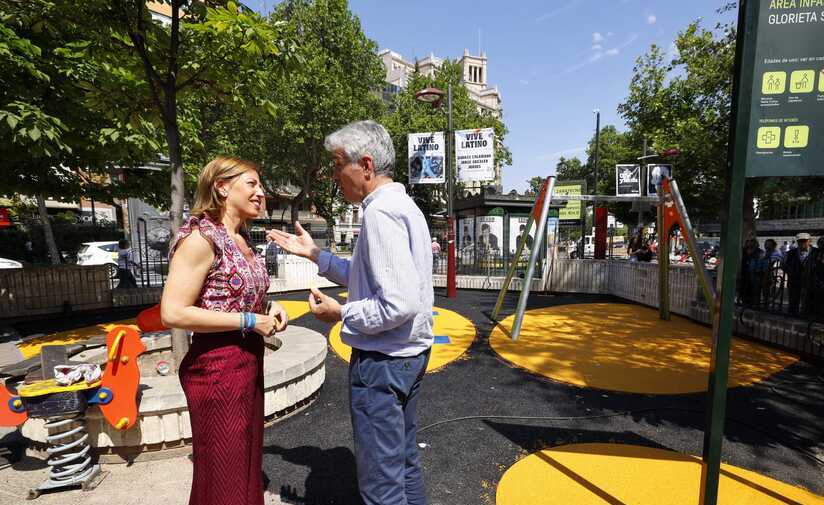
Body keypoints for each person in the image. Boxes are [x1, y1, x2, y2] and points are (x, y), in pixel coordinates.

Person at [269, 120, 433, 505]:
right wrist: (315, 255)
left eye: (338, 163)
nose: (333, 173)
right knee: (405, 464)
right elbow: (372, 278)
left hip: (382, 362)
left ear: (366, 165)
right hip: (407, 356)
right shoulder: (403, 206)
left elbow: (397, 304)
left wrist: (341, 313)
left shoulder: (379, 213)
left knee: (381, 485)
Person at [160, 156, 288, 505]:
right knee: (224, 475)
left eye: (260, 186)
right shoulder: (201, 237)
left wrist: (268, 307)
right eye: (252, 184)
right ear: (221, 187)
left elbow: (238, 296)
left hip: (246, 363)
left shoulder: (241, 237)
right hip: (217, 367)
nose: (261, 193)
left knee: (244, 466)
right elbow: (172, 312)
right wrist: (248, 321)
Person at [783, 232, 814, 315]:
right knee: (793, 302)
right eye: (800, 241)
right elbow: (784, 265)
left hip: (810, 282)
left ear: (810, 241)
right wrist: (792, 273)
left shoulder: (816, 252)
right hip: (794, 281)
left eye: (804, 241)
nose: (802, 243)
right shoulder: (790, 253)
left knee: (809, 302)